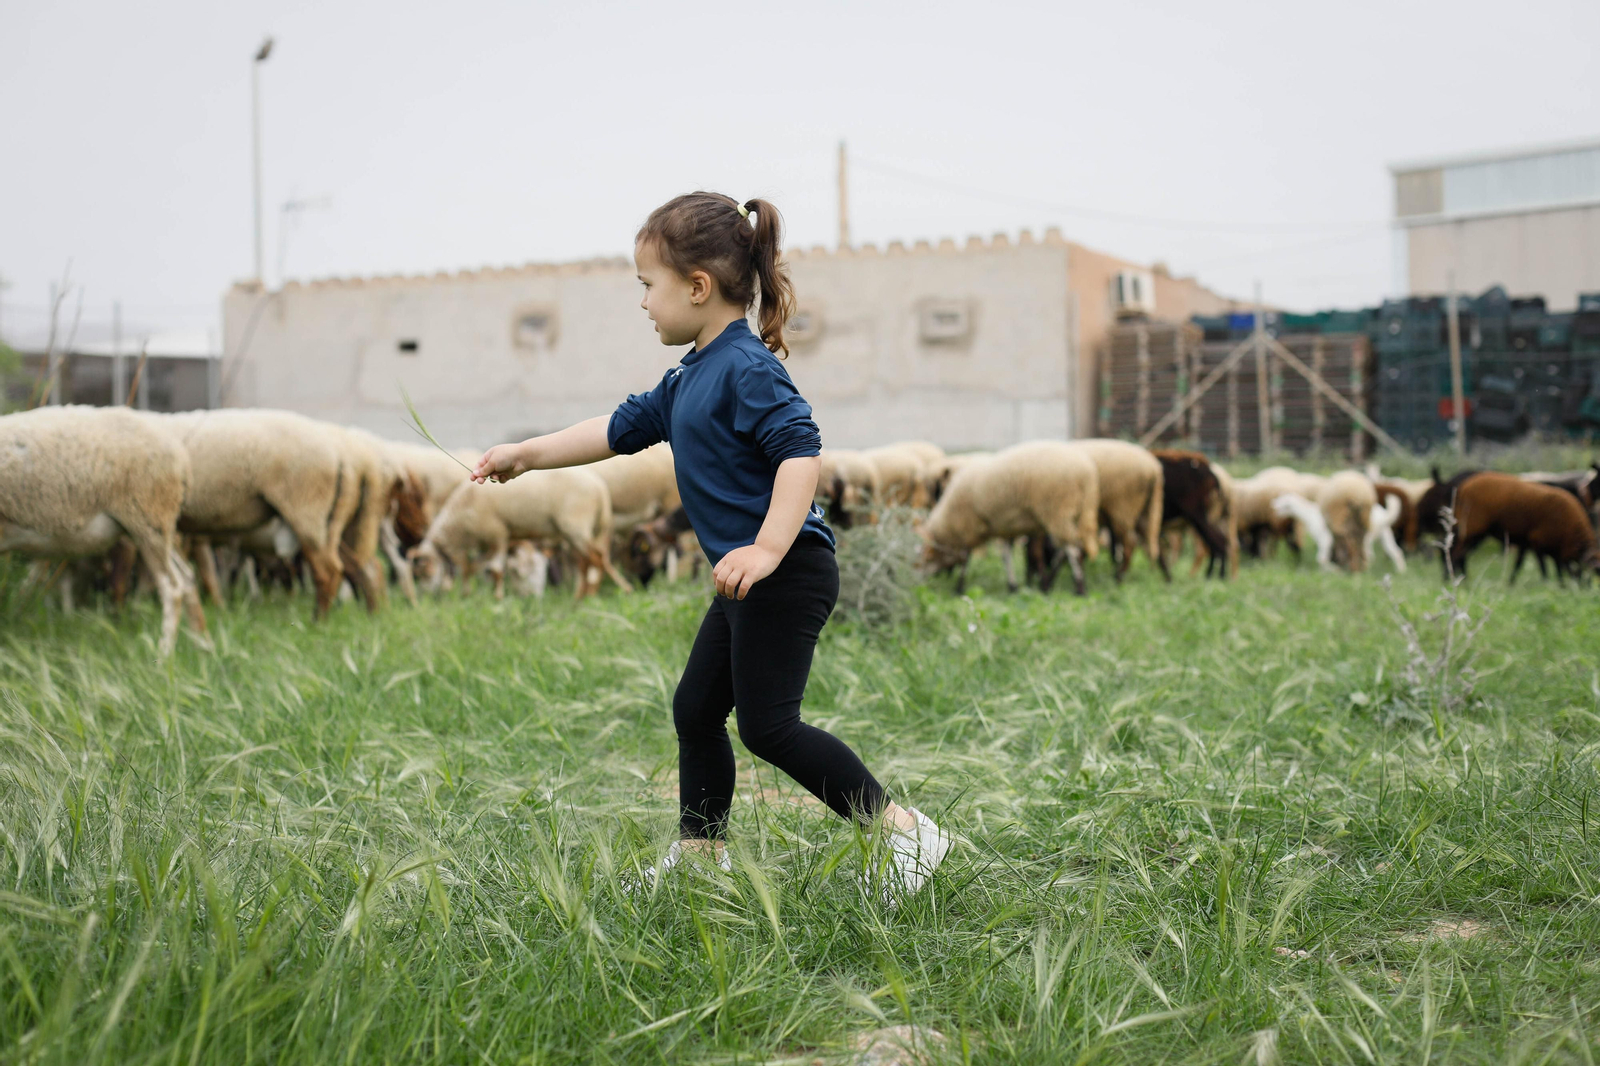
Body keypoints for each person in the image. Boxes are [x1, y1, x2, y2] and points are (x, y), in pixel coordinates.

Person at [471, 192, 949, 902]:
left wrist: (765, 549)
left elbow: (800, 453)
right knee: (696, 710)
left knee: (769, 728)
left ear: (697, 287)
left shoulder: (745, 367)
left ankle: (904, 831)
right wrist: (527, 454)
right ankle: (701, 854)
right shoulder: (689, 376)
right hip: (746, 580)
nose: (642, 304)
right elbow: (611, 430)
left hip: (784, 571)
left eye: (647, 286)